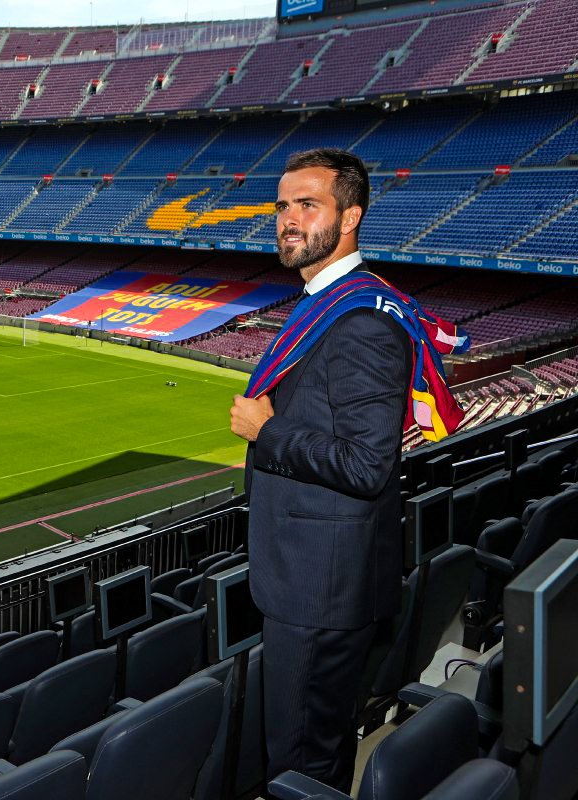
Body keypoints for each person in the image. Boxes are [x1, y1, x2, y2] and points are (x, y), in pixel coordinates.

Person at [229, 148, 467, 792]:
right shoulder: (338, 302)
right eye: (282, 205)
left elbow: (367, 465)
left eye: (308, 205)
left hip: (318, 589)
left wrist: (267, 431)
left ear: (351, 215)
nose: (288, 219)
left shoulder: (359, 322)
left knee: (303, 761)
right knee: (312, 744)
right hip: (317, 578)